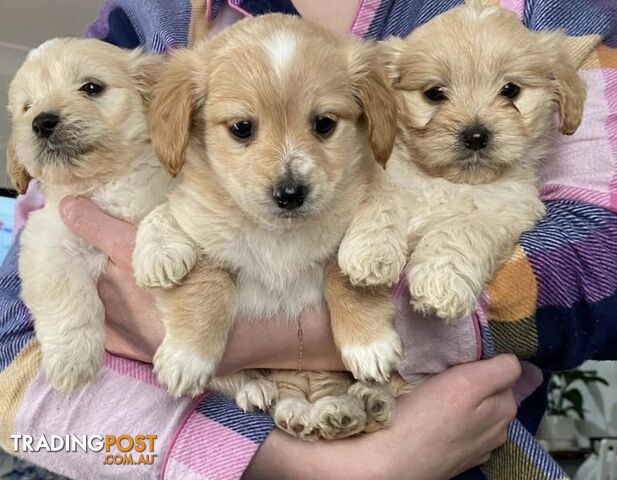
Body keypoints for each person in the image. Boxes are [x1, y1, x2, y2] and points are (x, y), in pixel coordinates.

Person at [0, 0, 615, 479]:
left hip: (466, 452)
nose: (286, 176)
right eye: (240, 128)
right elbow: (13, 364)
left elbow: (603, 255)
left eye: (325, 125)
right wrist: (277, 462)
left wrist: (299, 334)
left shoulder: (555, 17)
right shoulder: (149, 20)